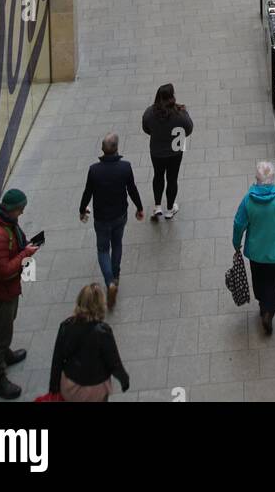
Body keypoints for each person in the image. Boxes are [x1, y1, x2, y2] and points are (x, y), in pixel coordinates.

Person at [0, 187, 39, 400]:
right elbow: (2, 270)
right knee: (0, 334)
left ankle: (5, 353)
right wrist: (25, 254)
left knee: (5, 326)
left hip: (6, 291)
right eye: (20, 210)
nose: (21, 214)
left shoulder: (6, 222)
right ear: (12, 209)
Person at [232, 161, 275, 335]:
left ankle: (262, 302)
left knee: (259, 279)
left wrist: (236, 243)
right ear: (272, 179)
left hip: (255, 252)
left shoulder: (248, 199)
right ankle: (269, 310)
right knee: (274, 282)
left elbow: (239, 224)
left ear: (257, 179)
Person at [79, 133, 144, 307]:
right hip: (120, 215)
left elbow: (87, 192)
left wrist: (81, 209)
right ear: (117, 148)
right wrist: (139, 207)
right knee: (117, 244)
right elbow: (132, 189)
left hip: (101, 218)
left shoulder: (94, 170)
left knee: (102, 249)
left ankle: (110, 283)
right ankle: (115, 275)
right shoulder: (125, 167)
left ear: (102, 149)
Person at [48, 284, 129, 403]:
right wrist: (124, 380)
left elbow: (57, 359)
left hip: (71, 386)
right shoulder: (103, 331)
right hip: (96, 388)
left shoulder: (66, 326)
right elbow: (113, 361)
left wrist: (53, 387)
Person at [142, 84, 194, 220]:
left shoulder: (150, 112)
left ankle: (157, 206)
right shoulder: (180, 113)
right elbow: (189, 129)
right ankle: (170, 209)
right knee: (172, 178)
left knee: (158, 176)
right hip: (175, 151)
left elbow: (145, 128)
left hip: (157, 151)